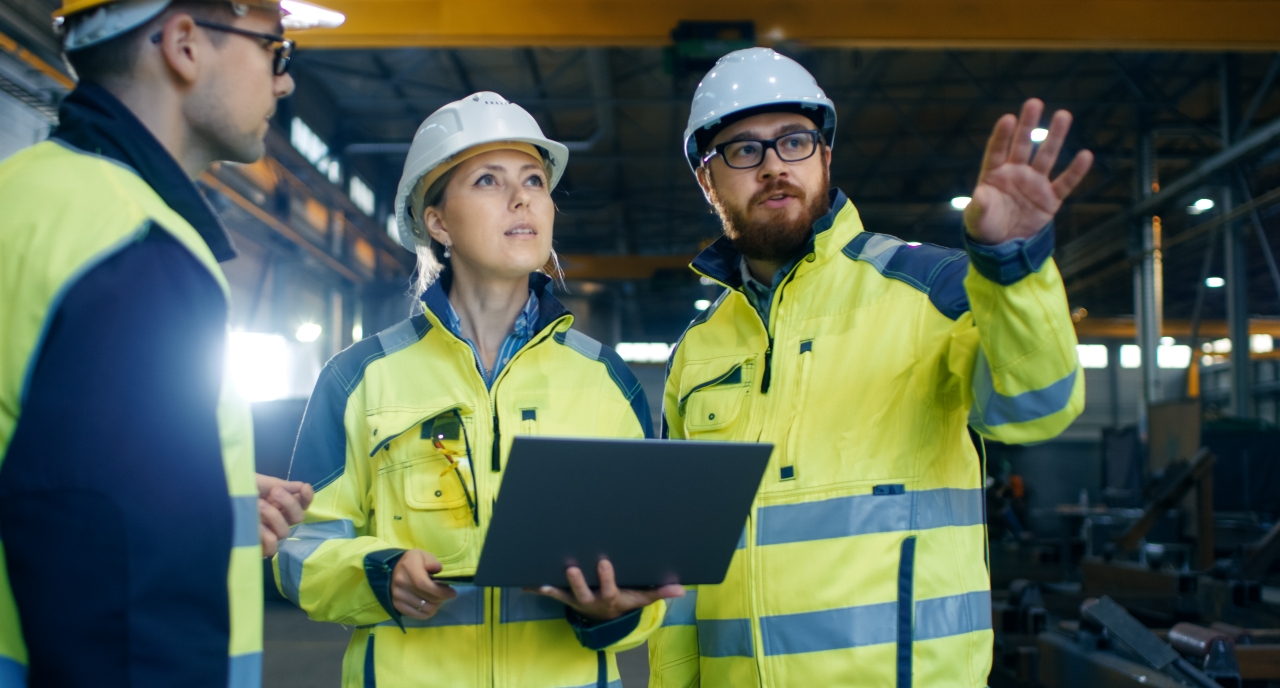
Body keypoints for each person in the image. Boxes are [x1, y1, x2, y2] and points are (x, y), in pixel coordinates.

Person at [648, 48, 1092, 687]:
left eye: (793, 142)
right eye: (744, 151)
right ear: (708, 181)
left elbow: (1040, 407)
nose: (774, 167)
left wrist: (1012, 267)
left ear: (825, 157)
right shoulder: (700, 348)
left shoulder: (932, 290)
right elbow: (681, 566)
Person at [275, 91, 683, 688]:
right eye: (489, 181)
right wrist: (378, 574)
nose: (521, 199)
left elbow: (646, 576)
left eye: (535, 181)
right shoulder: (360, 376)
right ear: (437, 221)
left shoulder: (605, 379)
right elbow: (300, 551)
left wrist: (610, 611)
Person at [0, 1, 336, 685]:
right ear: (184, 44)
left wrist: (193, 499)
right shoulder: (136, 251)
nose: (284, 82)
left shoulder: (27, 197)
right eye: (275, 50)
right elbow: (126, 606)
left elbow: (58, 480)